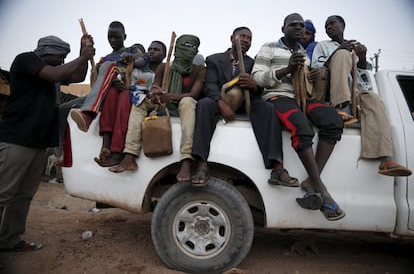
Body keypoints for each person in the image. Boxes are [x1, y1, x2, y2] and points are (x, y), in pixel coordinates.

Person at [0, 34, 94, 251]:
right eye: (60, 57)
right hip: (17, 140)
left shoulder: (53, 69)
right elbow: (54, 74)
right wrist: (81, 57)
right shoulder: (27, 60)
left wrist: (83, 53)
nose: (62, 62)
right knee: (4, 193)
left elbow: (77, 76)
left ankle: (9, 240)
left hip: (38, 143)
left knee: (23, 195)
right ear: (47, 51)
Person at [252, 13, 345, 221]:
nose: (299, 28)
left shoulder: (304, 53)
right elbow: (257, 78)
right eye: (293, 25)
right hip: (278, 96)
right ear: (283, 28)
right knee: (302, 128)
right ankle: (322, 189)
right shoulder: (269, 47)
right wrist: (287, 69)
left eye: (302, 26)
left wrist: (311, 76)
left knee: (333, 121)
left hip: (302, 97)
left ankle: (311, 182)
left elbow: (308, 87)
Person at [191, 27, 298, 187]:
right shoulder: (214, 59)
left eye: (249, 38)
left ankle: (277, 167)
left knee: (267, 108)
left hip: (245, 102)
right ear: (231, 38)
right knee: (204, 104)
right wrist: (222, 104)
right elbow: (211, 85)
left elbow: (259, 89)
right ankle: (201, 163)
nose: (246, 40)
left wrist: (253, 85)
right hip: (219, 100)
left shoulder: (253, 63)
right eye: (242, 36)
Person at [311, 15, 412, 177]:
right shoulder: (323, 46)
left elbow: (365, 73)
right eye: (326, 26)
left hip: (356, 91)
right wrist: (340, 50)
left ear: (342, 26)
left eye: (332, 23)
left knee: (374, 100)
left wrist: (362, 57)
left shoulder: (355, 46)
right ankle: (340, 108)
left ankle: (386, 159)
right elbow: (317, 67)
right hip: (332, 92)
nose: (329, 27)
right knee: (343, 55)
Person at [109, 34, 205, 184]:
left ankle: (186, 161)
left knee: (188, 102)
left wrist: (169, 96)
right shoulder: (164, 66)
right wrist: (155, 94)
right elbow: (155, 88)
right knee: (140, 101)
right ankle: (130, 155)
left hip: (181, 102)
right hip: (163, 101)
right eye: (184, 47)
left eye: (192, 47)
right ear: (176, 50)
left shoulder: (199, 69)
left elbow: (194, 94)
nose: (188, 50)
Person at [70, 21, 141, 163]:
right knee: (110, 94)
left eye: (116, 37)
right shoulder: (105, 58)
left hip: (128, 89)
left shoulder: (132, 51)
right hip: (111, 91)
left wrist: (129, 63)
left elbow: (141, 62)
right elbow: (95, 82)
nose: (113, 41)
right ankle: (106, 147)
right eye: (110, 37)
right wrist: (88, 54)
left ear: (124, 36)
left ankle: (88, 114)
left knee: (110, 69)